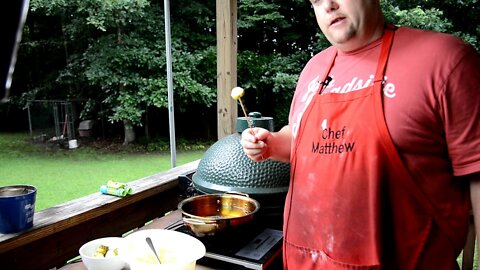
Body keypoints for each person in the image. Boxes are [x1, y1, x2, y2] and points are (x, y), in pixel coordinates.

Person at [240, 0, 480, 269]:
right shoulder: (314, 69)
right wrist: (271, 144)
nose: (328, 5)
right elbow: (302, 141)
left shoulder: (445, 59)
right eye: (316, 0)